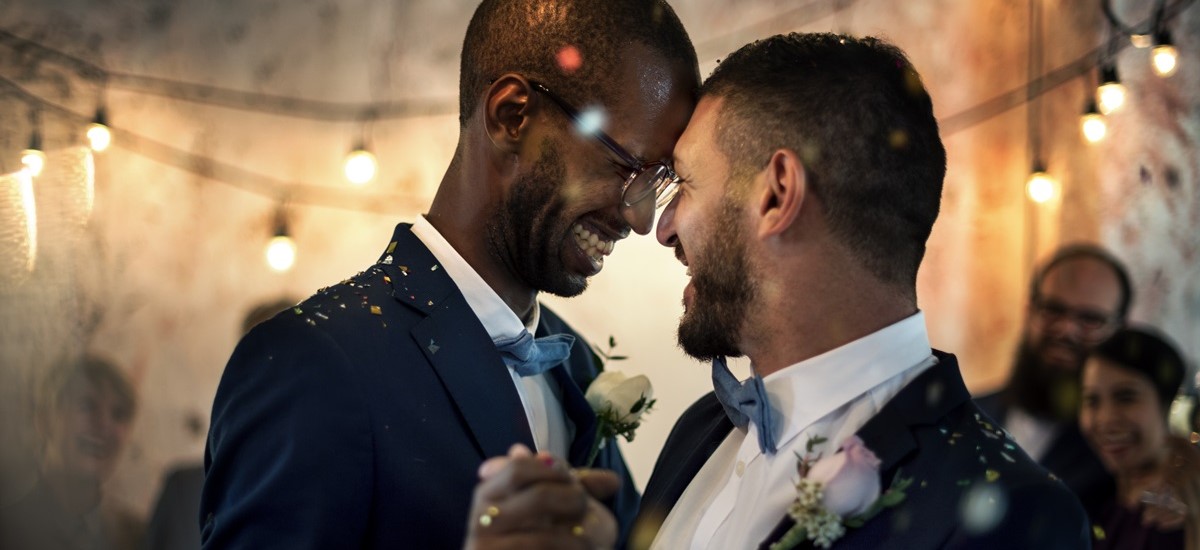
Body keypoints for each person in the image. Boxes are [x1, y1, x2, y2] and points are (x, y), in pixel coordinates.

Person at [200, 0, 700, 548]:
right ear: (512, 118)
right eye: (626, 166)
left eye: (657, 183)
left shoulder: (576, 364)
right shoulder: (312, 361)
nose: (640, 217)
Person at [629, 33, 1088, 548]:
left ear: (778, 194)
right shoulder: (700, 430)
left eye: (686, 183)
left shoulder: (1017, 515)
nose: (662, 226)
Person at [974, 244, 1132, 515]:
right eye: (1053, 310)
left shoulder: (1123, 450)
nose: (1066, 329)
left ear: (1119, 331)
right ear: (1029, 311)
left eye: (1090, 319)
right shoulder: (967, 414)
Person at [143, 297, 297, 550]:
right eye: (260, 355)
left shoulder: (346, 493)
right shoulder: (184, 494)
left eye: (294, 357)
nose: (277, 372)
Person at [0, 355, 143, 550]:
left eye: (118, 414)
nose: (104, 425)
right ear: (44, 418)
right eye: (87, 405)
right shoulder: (8, 529)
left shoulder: (138, 538)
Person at [1080, 326, 1200, 549]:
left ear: (1167, 404)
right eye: (1092, 401)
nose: (1105, 419)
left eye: (1126, 397)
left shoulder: (1180, 509)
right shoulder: (1098, 498)